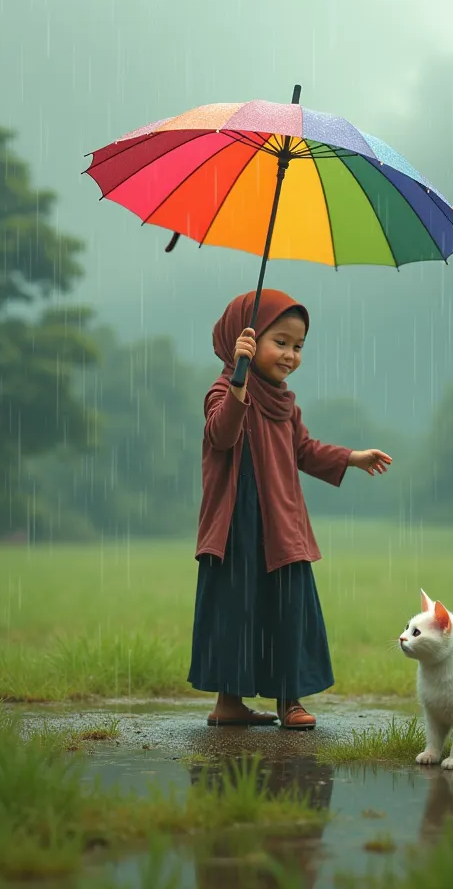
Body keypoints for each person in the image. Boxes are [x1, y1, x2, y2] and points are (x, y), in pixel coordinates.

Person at [188, 289, 392, 729]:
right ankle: (229, 702)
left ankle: (289, 700)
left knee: (286, 605)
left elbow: (303, 449)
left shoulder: (285, 402)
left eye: (298, 346)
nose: (290, 355)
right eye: (279, 342)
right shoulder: (223, 390)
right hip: (236, 523)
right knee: (235, 608)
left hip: (281, 521)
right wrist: (239, 381)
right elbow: (221, 434)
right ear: (242, 339)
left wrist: (351, 457)